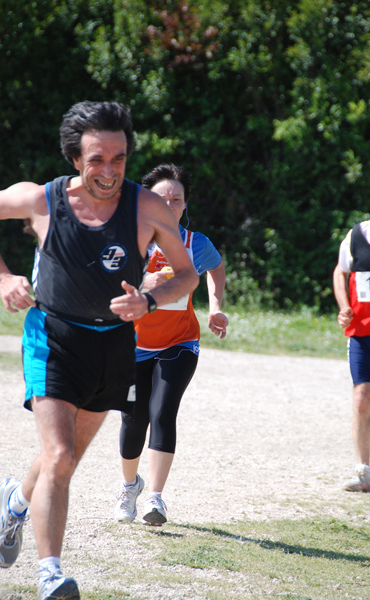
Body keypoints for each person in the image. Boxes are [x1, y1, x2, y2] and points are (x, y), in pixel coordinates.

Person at [0, 102, 198, 600]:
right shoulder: (42, 200)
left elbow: (187, 274)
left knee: (65, 458)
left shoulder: (147, 207)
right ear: (76, 157)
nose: (109, 171)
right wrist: (1, 276)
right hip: (53, 337)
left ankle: (15, 502)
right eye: (97, 159)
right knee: (59, 455)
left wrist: (148, 299)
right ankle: (51, 576)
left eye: (119, 159)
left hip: (113, 345)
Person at [114, 163, 228, 526]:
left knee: (163, 410)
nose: (169, 203)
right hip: (132, 345)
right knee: (134, 420)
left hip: (179, 341)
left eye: (176, 199)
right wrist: (145, 281)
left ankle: (156, 499)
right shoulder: (130, 240)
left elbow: (217, 268)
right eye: (162, 197)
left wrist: (216, 308)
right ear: (146, 201)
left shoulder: (196, 243)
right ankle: (130, 486)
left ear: (184, 206)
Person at [333, 177, 370, 493]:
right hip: (363, 336)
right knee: (361, 397)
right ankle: (363, 471)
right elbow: (341, 272)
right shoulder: (356, 236)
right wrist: (343, 305)